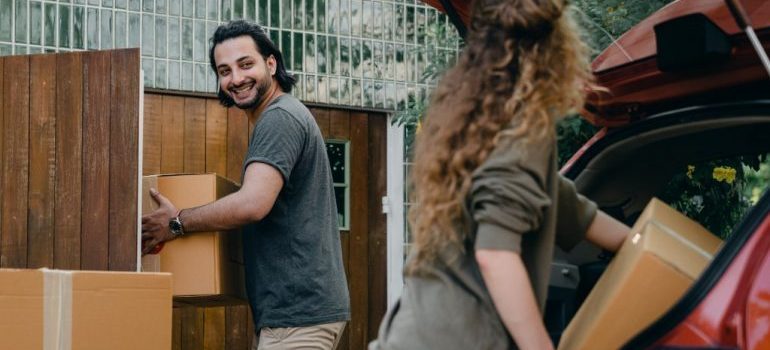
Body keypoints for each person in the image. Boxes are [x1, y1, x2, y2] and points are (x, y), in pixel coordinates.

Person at [369, 0, 630, 349]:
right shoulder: (523, 128)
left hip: (414, 332)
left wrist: (649, 245)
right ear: (555, 47)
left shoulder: (473, 118)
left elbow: (566, 206)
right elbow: (496, 255)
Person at [141, 20, 350, 350]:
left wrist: (176, 223)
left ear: (271, 63)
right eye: (224, 71)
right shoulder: (280, 117)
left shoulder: (280, 118)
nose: (235, 79)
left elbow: (252, 203)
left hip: (298, 316)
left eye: (245, 64)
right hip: (292, 314)